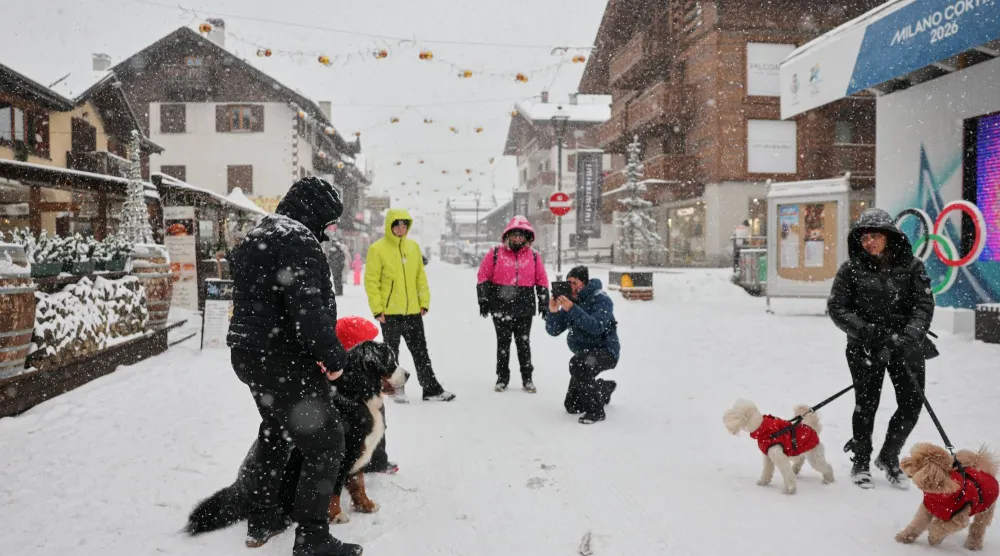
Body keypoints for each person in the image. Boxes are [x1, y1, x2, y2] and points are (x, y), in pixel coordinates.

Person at [227, 176, 362, 556]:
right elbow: (307, 310)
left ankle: (263, 517)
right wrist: (333, 357)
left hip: (249, 354)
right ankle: (312, 537)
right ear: (314, 211)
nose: (328, 231)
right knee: (328, 442)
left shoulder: (258, 235)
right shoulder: (298, 240)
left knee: (276, 431)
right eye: (328, 222)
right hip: (283, 359)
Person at [828, 208, 935, 490]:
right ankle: (861, 459)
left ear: (889, 236)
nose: (869, 242)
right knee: (866, 405)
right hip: (865, 347)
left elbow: (924, 305)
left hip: (906, 346)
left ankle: (889, 456)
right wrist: (868, 332)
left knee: (911, 404)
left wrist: (909, 336)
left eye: (875, 236)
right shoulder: (850, 270)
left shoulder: (912, 266)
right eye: (864, 238)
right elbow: (837, 308)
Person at [365, 207, 455, 404]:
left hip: (413, 312)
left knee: (421, 352)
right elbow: (371, 281)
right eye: (397, 225)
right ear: (390, 226)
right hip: (389, 313)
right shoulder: (377, 249)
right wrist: (377, 309)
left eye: (404, 225)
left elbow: (420, 278)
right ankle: (397, 389)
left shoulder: (413, 247)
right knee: (392, 354)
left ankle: (431, 389)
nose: (401, 229)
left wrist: (424, 302)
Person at [476, 215, 549, 393]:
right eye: (515, 235)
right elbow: (483, 276)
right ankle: (502, 378)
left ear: (527, 237)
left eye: (521, 235)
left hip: (524, 306)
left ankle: (527, 378)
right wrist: (483, 299)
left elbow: (541, 279)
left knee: (523, 343)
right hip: (500, 305)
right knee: (503, 343)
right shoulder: (495, 253)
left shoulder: (534, 256)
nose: (518, 238)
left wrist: (544, 301)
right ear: (508, 235)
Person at [545, 266, 620, 425]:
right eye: (569, 282)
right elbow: (554, 330)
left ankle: (596, 412)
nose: (571, 286)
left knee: (578, 364)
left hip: (606, 351)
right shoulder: (572, 301)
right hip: (585, 354)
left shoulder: (601, 299)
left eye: (575, 282)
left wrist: (573, 309)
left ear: (584, 283)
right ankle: (603, 388)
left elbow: (597, 327)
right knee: (572, 406)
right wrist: (553, 311)